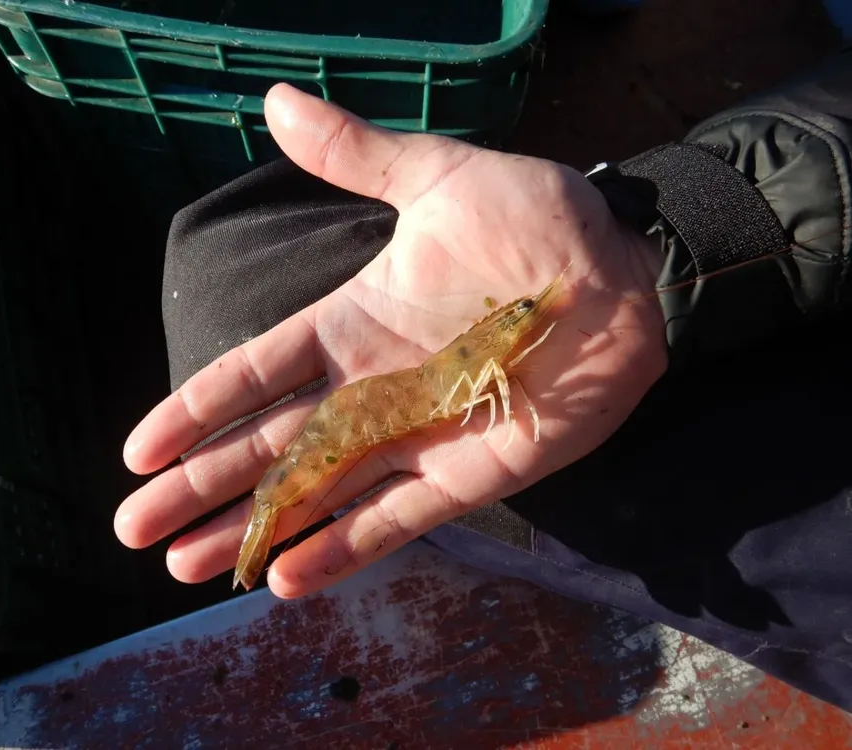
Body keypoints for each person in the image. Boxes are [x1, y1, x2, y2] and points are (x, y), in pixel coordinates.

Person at [113, 47, 852, 710]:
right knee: (227, 288)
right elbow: (487, 377)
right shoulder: (487, 358)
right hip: (387, 411)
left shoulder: (500, 347)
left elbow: (493, 363)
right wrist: (660, 241)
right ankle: (278, 509)